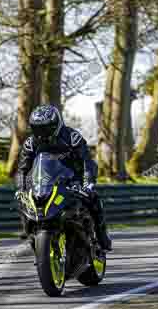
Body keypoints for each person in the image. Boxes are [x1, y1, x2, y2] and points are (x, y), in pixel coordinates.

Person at [15, 104, 112, 251]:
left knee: (93, 198)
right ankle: (29, 231)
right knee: (23, 200)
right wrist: (21, 188)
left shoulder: (72, 137)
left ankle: (101, 236)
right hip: (44, 182)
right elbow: (22, 169)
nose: (42, 132)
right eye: (38, 128)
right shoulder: (30, 143)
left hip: (73, 180)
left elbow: (87, 162)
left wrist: (88, 184)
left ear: (57, 124)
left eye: (47, 128)